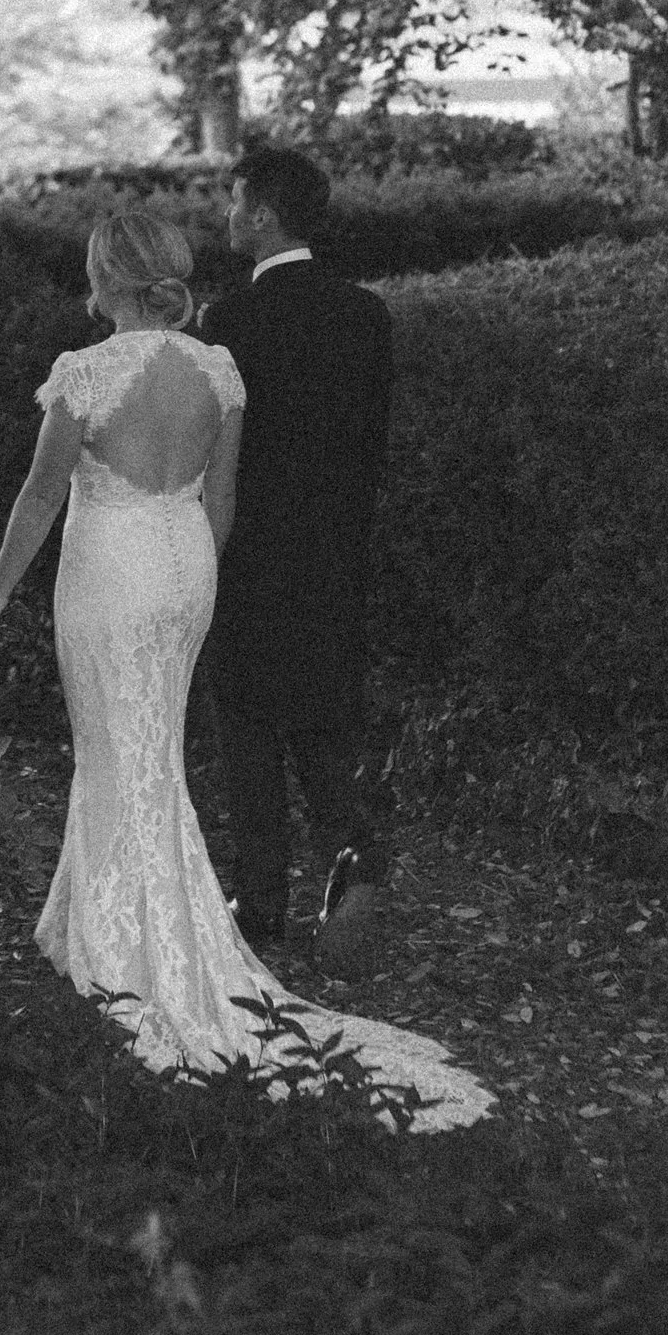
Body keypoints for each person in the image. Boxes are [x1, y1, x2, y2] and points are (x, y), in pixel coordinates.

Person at [0, 200, 487, 1130]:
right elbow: (223, 497)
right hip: (185, 571)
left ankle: (120, 950)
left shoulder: (84, 373)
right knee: (152, 753)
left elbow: (40, 498)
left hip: (112, 573)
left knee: (113, 752)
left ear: (105, 278)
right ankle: (104, 921)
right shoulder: (219, 370)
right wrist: (194, 583)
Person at [198, 142, 393, 957]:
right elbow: (372, 444)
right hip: (335, 550)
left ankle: (262, 901)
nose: (228, 214)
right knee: (322, 719)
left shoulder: (229, 321)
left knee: (246, 725)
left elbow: (220, 449)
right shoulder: (365, 315)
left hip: (250, 551)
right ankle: (354, 857)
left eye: (237, 201)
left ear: (265, 218)